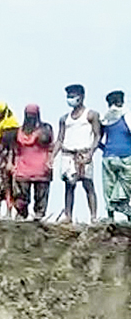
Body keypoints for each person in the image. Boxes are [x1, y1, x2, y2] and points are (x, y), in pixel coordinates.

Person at [53, 84, 101, 223]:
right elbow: (60, 139)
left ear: (81, 96)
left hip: (84, 153)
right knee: (69, 186)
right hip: (68, 154)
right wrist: (52, 157)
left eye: (73, 96)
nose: (70, 99)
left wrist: (91, 153)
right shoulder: (64, 118)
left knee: (88, 185)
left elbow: (97, 135)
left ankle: (93, 216)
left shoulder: (91, 115)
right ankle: (68, 215)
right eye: (68, 96)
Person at [13, 104, 53, 220]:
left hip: (41, 167)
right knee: (21, 195)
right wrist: (13, 163)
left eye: (33, 115)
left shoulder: (45, 129)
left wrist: (50, 161)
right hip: (23, 167)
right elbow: (15, 149)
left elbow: (51, 146)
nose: (30, 117)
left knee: (41, 194)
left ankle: (39, 215)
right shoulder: (19, 131)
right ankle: (21, 214)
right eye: (28, 115)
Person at [99, 90, 131, 221]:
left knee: (109, 186)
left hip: (108, 157)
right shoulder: (127, 115)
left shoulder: (104, 118)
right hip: (126, 156)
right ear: (121, 102)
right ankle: (126, 213)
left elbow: (97, 139)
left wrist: (106, 149)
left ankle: (110, 216)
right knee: (125, 186)